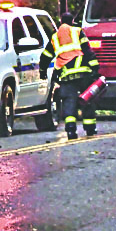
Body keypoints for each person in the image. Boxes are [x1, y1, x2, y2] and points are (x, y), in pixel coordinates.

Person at [39, 12, 101, 140]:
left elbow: (46, 56)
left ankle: (71, 131)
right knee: (87, 100)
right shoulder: (78, 32)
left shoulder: (55, 37)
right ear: (72, 21)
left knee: (69, 103)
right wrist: (95, 69)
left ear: (60, 21)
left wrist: (42, 71)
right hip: (83, 73)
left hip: (66, 76)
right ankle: (90, 129)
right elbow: (87, 51)